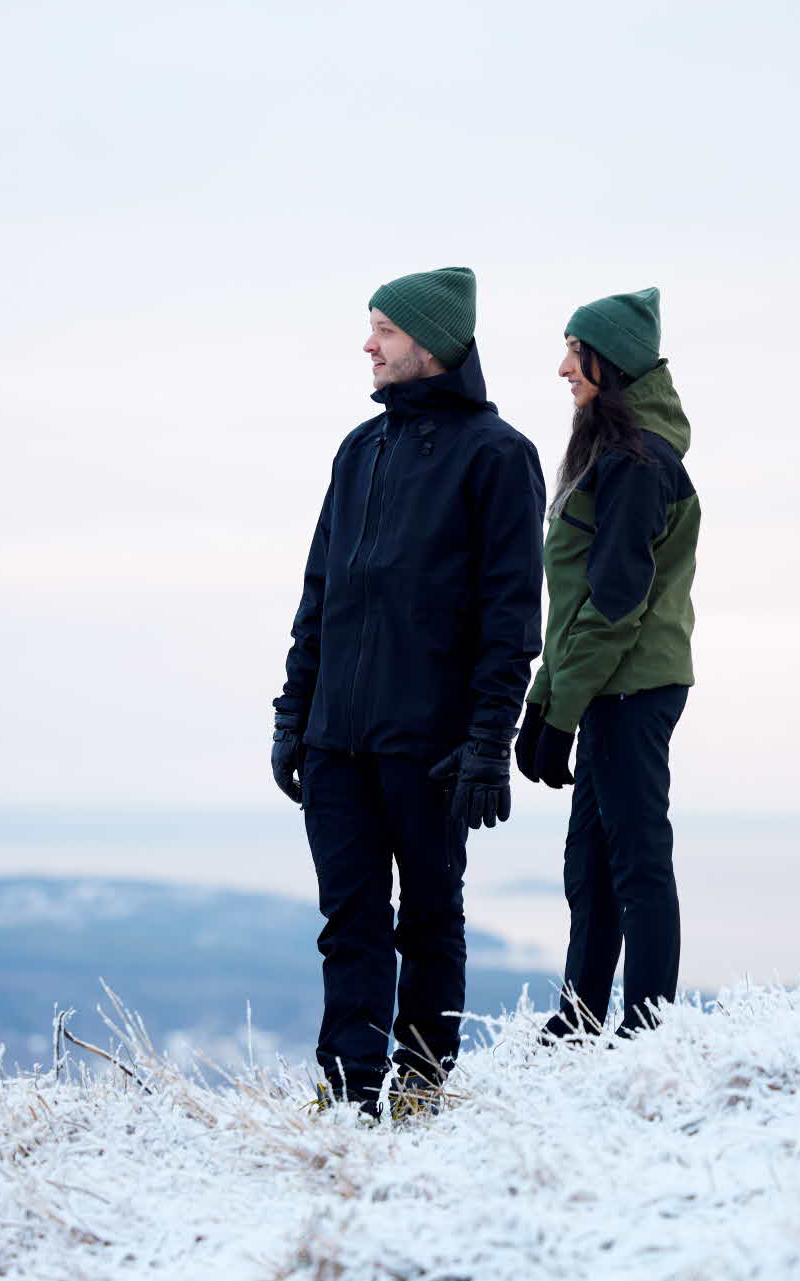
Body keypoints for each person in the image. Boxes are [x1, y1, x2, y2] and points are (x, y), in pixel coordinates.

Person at [272, 266, 545, 1115]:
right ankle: (350, 1094)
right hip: (337, 742)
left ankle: (422, 1085)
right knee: (347, 924)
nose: (368, 344)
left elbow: (511, 618)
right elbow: (320, 594)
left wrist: (487, 742)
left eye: (384, 330)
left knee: (428, 920)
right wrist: (294, 717)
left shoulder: (499, 458)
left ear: (431, 343)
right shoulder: (360, 449)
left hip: (430, 744)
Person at [516, 286, 700, 1038]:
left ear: (611, 361)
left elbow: (616, 605)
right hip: (608, 686)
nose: (563, 365)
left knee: (636, 856)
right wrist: (544, 700)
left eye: (575, 350)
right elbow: (575, 606)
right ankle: (580, 1019)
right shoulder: (611, 453)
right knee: (589, 865)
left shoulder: (636, 462)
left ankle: (646, 1030)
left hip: (633, 684)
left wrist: (558, 712)